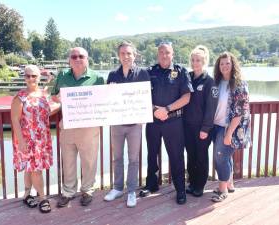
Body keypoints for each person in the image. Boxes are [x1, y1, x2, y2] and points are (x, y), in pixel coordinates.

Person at [139, 42, 193, 205]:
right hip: (154, 120)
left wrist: (167, 109)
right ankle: (151, 185)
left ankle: (180, 189)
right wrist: (156, 109)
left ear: (172, 54)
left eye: (167, 52)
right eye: (161, 52)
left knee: (176, 156)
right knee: (152, 154)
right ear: (157, 54)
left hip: (174, 121)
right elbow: (140, 95)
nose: (164, 55)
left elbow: (186, 97)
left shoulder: (181, 71)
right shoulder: (149, 72)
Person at [52, 47, 104, 208]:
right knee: (68, 161)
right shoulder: (62, 75)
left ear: (87, 58)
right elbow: (53, 96)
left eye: (81, 56)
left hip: (89, 127)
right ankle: (68, 192)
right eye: (73, 56)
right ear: (69, 59)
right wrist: (57, 98)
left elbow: (104, 101)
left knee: (89, 161)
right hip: (67, 126)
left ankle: (87, 190)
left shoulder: (97, 77)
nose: (77, 59)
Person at [103, 41, 150, 207]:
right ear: (119, 55)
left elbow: (147, 97)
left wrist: (144, 114)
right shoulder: (112, 75)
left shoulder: (143, 74)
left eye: (129, 53)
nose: (126, 56)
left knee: (133, 159)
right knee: (117, 157)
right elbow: (107, 100)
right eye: (122, 53)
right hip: (116, 123)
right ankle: (117, 188)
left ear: (134, 55)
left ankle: (131, 191)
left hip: (135, 124)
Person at [11, 65, 60, 213]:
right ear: (24, 77)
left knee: (30, 168)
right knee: (36, 170)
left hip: (42, 138)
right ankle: (43, 198)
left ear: (39, 77)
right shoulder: (19, 97)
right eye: (28, 76)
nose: (31, 78)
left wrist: (63, 105)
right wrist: (21, 141)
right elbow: (14, 120)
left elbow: (46, 112)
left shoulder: (43, 95)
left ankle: (26, 195)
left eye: (34, 76)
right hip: (27, 139)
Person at [211, 52, 251, 202]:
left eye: (227, 63)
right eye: (221, 64)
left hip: (229, 128)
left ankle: (223, 191)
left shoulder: (240, 84)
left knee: (220, 158)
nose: (224, 66)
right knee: (225, 156)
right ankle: (230, 184)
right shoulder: (218, 82)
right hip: (216, 125)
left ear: (233, 64)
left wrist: (229, 134)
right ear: (218, 66)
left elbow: (240, 112)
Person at [183, 45, 218, 197]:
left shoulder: (210, 82)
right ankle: (192, 183)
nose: (195, 63)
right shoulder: (187, 77)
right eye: (192, 60)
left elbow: (211, 108)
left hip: (202, 129)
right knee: (191, 156)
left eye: (198, 60)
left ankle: (200, 185)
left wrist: (205, 128)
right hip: (187, 127)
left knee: (201, 156)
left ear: (204, 61)